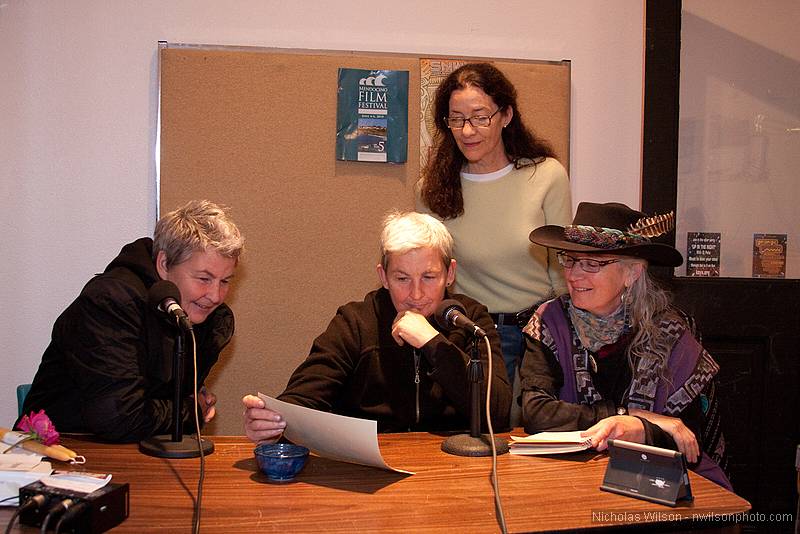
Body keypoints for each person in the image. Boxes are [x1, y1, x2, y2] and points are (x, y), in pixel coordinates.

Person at [243, 211, 510, 444]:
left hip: (449, 465)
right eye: (402, 278)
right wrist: (273, 420)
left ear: (450, 273)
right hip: (370, 464)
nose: (416, 294)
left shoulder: (469, 319)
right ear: (383, 276)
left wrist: (434, 343)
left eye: (429, 277)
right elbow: (307, 395)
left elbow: (497, 413)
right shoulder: (356, 321)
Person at [519, 202, 731, 489]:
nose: (573, 274)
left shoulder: (672, 334)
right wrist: (628, 417)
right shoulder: (549, 322)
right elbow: (537, 413)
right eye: (569, 260)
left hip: (655, 484)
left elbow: (691, 439)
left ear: (632, 273)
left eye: (592, 264)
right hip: (569, 480)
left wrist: (641, 432)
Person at [20, 200, 244, 443]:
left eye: (225, 281)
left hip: (142, 452)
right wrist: (190, 412)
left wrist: (190, 401)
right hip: (61, 455)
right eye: (204, 278)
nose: (216, 296)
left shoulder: (207, 318)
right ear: (164, 264)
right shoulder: (110, 302)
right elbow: (119, 418)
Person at [416, 62, 572, 382]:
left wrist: (568, 335)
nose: (468, 130)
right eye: (456, 119)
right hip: (467, 335)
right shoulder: (431, 189)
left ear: (506, 116)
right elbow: (426, 272)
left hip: (534, 334)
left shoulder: (545, 175)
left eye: (480, 117)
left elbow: (562, 266)